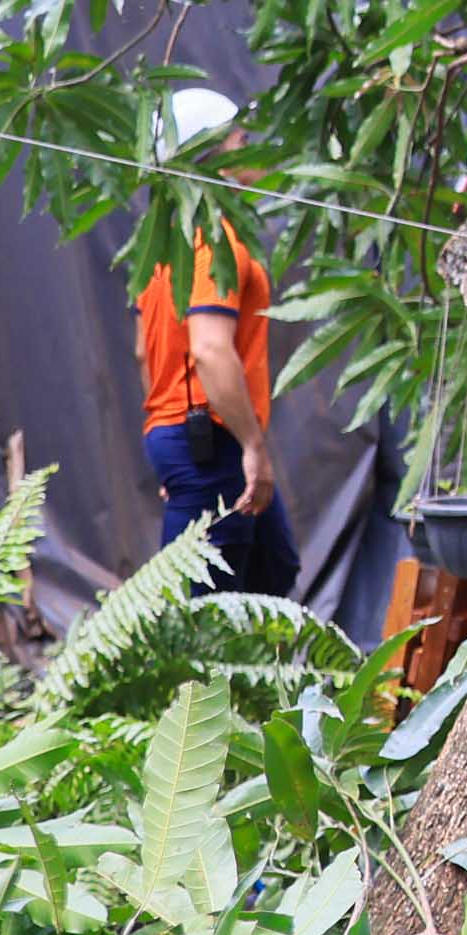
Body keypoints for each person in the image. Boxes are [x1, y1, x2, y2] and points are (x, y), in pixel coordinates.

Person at [134, 82, 297, 598]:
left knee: (274, 568)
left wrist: (170, 442)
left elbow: (145, 351)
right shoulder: (214, 238)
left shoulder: (158, 240)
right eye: (239, 138)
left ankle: (262, 681)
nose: (250, 146)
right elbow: (208, 348)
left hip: (184, 437)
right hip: (212, 440)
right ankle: (194, 686)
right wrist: (251, 444)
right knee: (207, 617)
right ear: (214, 157)